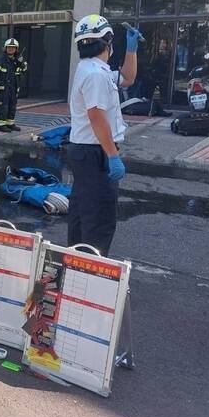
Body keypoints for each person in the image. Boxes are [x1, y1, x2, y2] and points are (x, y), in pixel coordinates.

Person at [67, 14, 141, 256]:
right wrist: (112, 155)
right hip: (95, 152)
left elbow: (127, 79)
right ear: (107, 42)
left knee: (83, 212)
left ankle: (77, 263)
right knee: (98, 218)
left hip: (86, 151)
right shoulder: (96, 75)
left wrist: (131, 51)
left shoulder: (93, 69)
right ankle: (89, 272)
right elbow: (96, 116)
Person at [0, 38, 27, 132]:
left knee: (12, 106)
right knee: (3, 106)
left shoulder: (17, 61)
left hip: (13, 88)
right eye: (9, 47)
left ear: (16, 49)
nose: (11, 49)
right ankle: (0, 125)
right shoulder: (0, 60)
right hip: (3, 89)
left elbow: (25, 70)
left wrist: (21, 63)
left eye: (13, 48)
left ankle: (10, 124)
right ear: (5, 48)